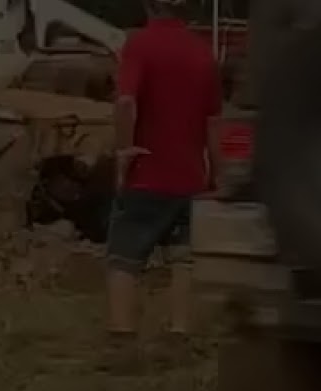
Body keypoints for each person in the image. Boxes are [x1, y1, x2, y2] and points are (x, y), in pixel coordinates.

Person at [103, 0, 221, 371]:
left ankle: (123, 345)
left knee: (123, 258)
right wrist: (215, 176)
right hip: (189, 178)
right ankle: (178, 338)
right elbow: (214, 122)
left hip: (146, 172)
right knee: (182, 258)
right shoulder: (204, 53)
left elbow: (126, 102)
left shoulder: (139, 44)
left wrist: (124, 151)